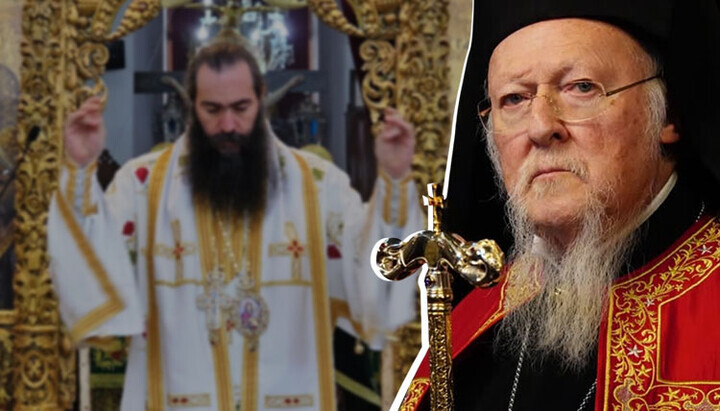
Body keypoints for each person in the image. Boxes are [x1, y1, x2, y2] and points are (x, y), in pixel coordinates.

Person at [48, 41, 424, 410]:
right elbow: (93, 261)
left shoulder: (317, 185)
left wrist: (394, 181)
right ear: (192, 104)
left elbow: (375, 264)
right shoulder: (143, 186)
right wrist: (79, 172)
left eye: (240, 108)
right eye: (212, 109)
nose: (228, 124)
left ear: (261, 98)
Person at [397, 0, 720, 409]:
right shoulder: (476, 323)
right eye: (514, 99)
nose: (540, 127)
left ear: (669, 114)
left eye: (581, 88)